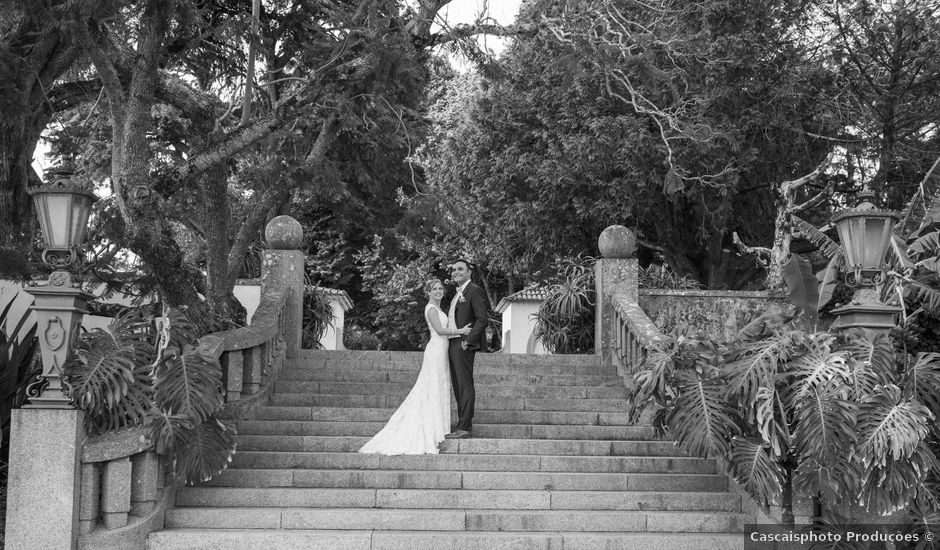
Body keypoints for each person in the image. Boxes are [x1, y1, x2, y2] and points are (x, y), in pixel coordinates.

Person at [359, 279, 471, 455]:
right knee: (431, 386)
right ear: (428, 292)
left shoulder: (440, 309)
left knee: (437, 386)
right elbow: (440, 331)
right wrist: (461, 331)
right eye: (434, 289)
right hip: (435, 350)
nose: (438, 291)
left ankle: (438, 426)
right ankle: (432, 427)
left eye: (440, 288)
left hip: (442, 350)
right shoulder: (431, 309)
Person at [444, 259, 489, 440]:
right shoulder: (458, 293)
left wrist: (468, 341)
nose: (456, 272)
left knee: (465, 385)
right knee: (458, 386)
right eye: (454, 269)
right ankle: (460, 424)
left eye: (460, 269)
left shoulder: (474, 290)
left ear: (469, 272)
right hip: (452, 343)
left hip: (463, 344)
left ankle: (465, 427)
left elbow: (482, 319)